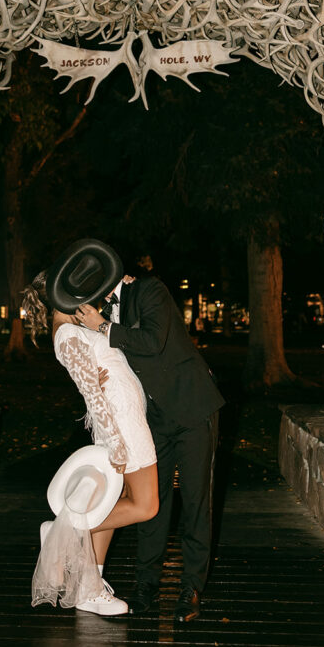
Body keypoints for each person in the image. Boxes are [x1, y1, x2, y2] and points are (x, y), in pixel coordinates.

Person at [75, 244, 225, 622]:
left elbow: (153, 341)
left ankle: (191, 587)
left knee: (195, 502)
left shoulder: (149, 289)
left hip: (192, 409)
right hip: (152, 420)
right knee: (152, 506)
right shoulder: (103, 314)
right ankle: (146, 584)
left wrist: (104, 328)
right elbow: (114, 358)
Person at [20, 241, 159, 617]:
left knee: (110, 504)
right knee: (146, 505)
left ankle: (88, 586)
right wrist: (116, 442)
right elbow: (92, 394)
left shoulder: (77, 328)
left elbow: (110, 347)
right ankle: (64, 537)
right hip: (122, 425)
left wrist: (121, 288)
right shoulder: (66, 336)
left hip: (125, 419)